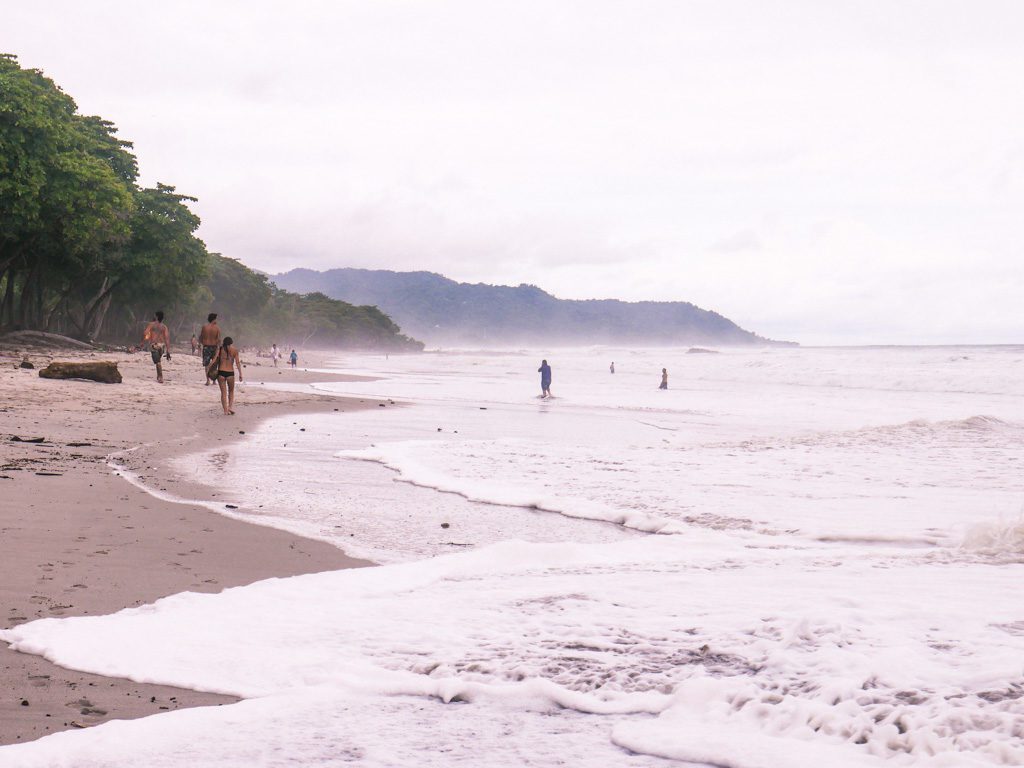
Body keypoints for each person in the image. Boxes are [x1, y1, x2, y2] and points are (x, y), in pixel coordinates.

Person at [209, 336, 243, 415]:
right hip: (230, 373)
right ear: (231, 343)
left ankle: (225, 410)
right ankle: (230, 407)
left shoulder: (220, 349)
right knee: (231, 391)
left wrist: (209, 366)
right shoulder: (234, 350)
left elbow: (214, 359)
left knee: (223, 393)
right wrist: (240, 374)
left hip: (221, 373)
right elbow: (238, 363)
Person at [142, 311, 170, 384]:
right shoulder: (164, 327)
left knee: (157, 362)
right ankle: (159, 376)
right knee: (158, 362)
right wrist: (168, 351)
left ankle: (160, 377)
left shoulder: (151, 325)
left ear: (157, 316)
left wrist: (142, 342)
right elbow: (167, 338)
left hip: (154, 345)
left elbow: (145, 333)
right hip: (162, 346)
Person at [199, 313, 221, 386]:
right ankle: (214, 381)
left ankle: (208, 380)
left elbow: (201, 337)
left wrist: (202, 344)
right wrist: (218, 348)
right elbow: (218, 340)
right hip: (214, 347)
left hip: (206, 347)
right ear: (214, 319)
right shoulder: (217, 328)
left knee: (206, 364)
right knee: (214, 364)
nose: (217, 321)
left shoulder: (204, 327)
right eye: (216, 319)